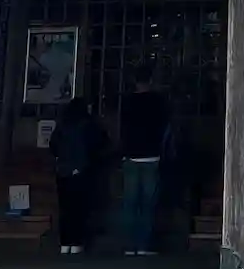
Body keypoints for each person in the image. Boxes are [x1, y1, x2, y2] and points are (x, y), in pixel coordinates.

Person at [118, 67, 170, 256]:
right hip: (151, 156)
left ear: (134, 82)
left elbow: (122, 128)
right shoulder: (158, 101)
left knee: (130, 203)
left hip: (131, 156)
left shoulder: (127, 102)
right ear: (150, 80)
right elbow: (166, 128)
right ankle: (143, 246)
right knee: (148, 204)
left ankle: (129, 245)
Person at [48, 97, 108, 255]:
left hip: (63, 171)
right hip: (82, 170)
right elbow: (99, 144)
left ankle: (65, 242)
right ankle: (76, 242)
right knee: (79, 209)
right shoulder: (89, 125)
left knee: (65, 208)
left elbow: (53, 146)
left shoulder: (62, 125)